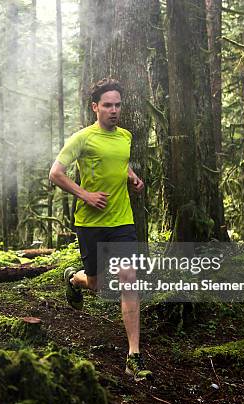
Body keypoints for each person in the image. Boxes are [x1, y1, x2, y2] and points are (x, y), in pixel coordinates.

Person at [49, 78, 150, 381]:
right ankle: (74, 278)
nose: (114, 110)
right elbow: (56, 173)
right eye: (107, 105)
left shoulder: (125, 136)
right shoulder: (82, 138)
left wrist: (133, 178)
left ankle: (134, 354)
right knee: (96, 284)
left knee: (128, 279)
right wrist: (85, 195)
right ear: (95, 107)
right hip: (90, 223)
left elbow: (121, 164)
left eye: (118, 104)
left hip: (122, 221)